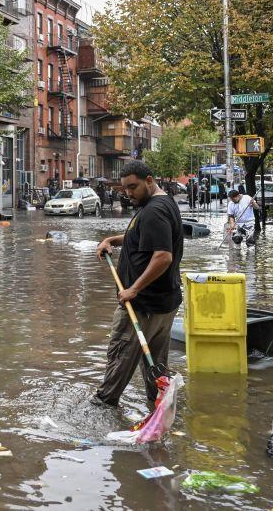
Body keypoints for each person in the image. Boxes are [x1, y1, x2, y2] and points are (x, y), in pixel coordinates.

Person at [92, 160, 183, 408]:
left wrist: (134, 289)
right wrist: (112, 240)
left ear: (149, 181)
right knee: (156, 367)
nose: (129, 194)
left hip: (142, 305)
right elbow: (140, 236)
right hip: (162, 302)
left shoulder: (154, 210)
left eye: (133, 187)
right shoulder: (162, 204)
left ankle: (103, 410)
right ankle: (159, 412)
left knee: (119, 358)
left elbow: (163, 256)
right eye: (125, 189)